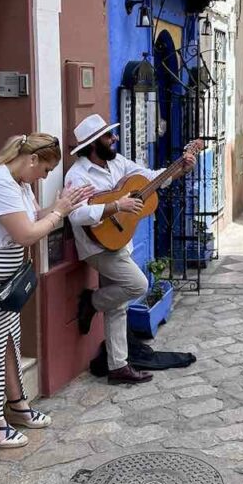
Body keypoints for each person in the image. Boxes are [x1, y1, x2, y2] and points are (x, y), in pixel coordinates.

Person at [0, 134, 93, 448]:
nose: (45, 176)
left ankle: (17, 406)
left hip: (1, 279)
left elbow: (35, 218)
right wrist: (60, 212)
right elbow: (26, 234)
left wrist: (64, 204)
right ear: (33, 159)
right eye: (46, 170)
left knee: (9, 338)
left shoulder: (19, 183)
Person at [67, 114, 195, 385]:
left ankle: (118, 367)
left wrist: (179, 169)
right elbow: (76, 215)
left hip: (120, 238)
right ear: (92, 144)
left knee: (119, 306)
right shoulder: (77, 175)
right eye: (107, 136)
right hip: (96, 246)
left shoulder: (118, 163)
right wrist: (116, 206)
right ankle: (91, 301)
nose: (114, 139)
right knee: (138, 285)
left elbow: (148, 178)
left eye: (111, 135)